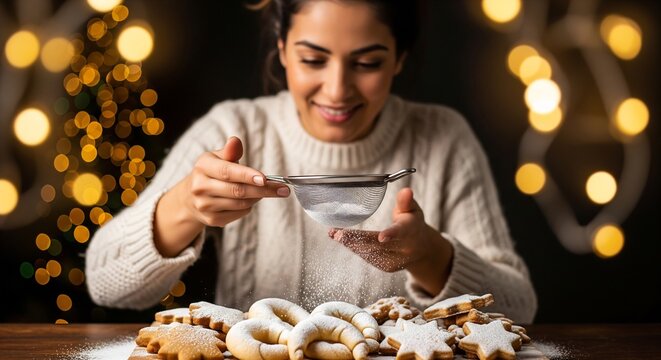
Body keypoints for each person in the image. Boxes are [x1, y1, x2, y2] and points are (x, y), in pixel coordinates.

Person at [85, 0, 537, 323]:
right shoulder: (236, 126)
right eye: (313, 59)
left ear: (399, 58)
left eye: (367, 63)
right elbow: (105, 282)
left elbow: (519, 307)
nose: (337, 90)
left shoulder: (444, 138)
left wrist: (430, 255)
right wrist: (183, 207)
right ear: (282, 50)